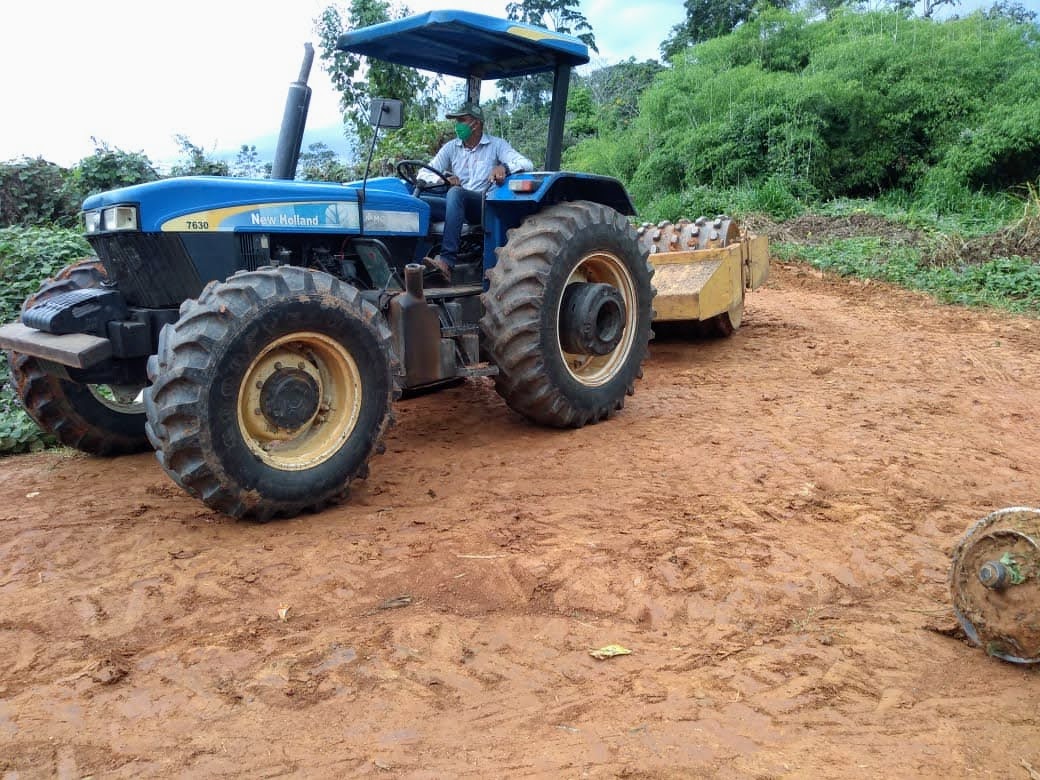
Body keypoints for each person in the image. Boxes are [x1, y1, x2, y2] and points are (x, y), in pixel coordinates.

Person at [418, 102, 534, 280]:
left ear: (476, 123)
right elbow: (424, 173)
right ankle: (416, 263)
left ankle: (446, 263)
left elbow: (527, 163)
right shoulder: (451, 148)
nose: (458, 126)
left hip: (480, 206)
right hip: (455, 204)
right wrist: (442, 180)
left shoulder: (496, 145)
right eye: (456, 121)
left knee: (456, 193)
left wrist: (504, 168)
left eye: (462, 120)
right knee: (419, 203)